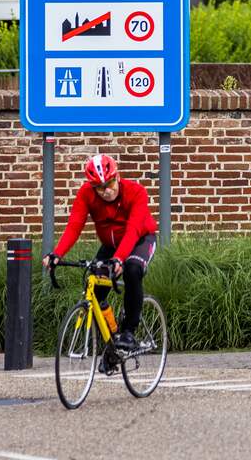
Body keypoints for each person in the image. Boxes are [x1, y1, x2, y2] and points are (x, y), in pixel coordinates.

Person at [42, 153, 158, 362]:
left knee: (132, 270)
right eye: (99, 187)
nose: (106, 191)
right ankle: (113, 344)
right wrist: (58, 253)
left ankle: (129, 332)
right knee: (94, 291)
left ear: (117, 176)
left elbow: (133, 229)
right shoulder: (86, 194)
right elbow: (74, 225)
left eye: (110, 184)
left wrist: (120, 258)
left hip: (140, 240)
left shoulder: (136, 192)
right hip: (111, 246)